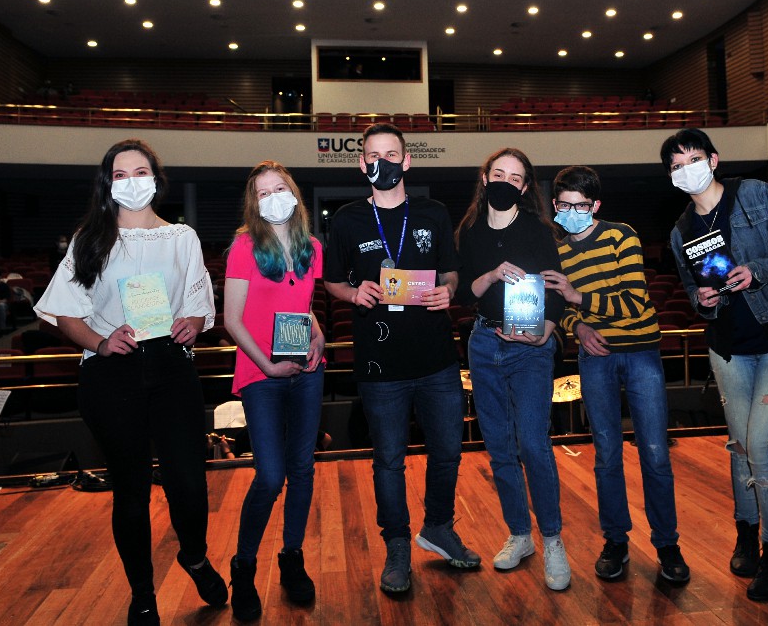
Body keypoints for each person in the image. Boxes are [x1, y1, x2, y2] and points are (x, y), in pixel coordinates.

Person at [34, 139, 226, 625]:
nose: (131, 181)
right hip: (111, 372)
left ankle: (195, 557)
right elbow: (62, 312)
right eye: (120, 174)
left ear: (156, 179)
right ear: (108, 184)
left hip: (171, 366)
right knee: (131, 491)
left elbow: (199, 305)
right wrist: (100, 342)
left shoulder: (182, 237)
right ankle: (142, 593)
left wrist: (192, 324)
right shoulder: (90, 238)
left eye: (140, 172)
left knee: (189, 482)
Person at [660, 128, 768, 602]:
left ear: (713, 160)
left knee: (762, 447)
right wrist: (702, 300)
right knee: (740, 446)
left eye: (693, 159)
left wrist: (758, 270)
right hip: (729, 347)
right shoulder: (680, 231)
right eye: (676, 166)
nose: (686, 169)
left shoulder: (755, 194)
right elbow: (692, 289)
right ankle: (746, 533)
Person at [323, 122, 479, 594]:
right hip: (380, 364)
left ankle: (439, 527)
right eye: (374, 155)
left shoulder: (433, 212)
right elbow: (332, 281)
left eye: (392, 155)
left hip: (437, 359)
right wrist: (354, 292)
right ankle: (396, 545)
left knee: (448, 452)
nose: (383, 163)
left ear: (407, 160)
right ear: (361, 164)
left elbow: (451, 272)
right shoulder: (347, 219)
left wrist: (447, 291)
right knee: (388, 460)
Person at [541, 165, 690, 584]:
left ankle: (667, 544)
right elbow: (561, 310)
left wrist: (578, 297)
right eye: (565, 205)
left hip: (640, 352)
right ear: (554, 205)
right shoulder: (558, 253)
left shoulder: (621, 235)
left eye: (581, 206)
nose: (572, 213)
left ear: (596, 206)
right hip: (595, 357)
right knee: (606, 455)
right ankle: (615, 541)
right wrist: (579, 328)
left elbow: (635, 300)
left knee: (655, 453)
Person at [454, 147, 570, 591]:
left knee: (533, 444)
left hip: (531, 349)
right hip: (484, 343)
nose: (505, 181)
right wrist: (489, 276)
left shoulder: (538, 229)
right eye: (498, 173)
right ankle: (520, 534)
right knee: (500, 447)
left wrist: (546, 332)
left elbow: (555, 288)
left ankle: (552, 539)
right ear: (485, 178)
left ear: (524, 187)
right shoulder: (469, 230)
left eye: (515, 177)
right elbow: (465, 292)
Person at [222, 161, 325, 619]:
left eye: (278, 188)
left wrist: (319, 335)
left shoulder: (312, 247)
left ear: (294, 193)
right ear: (254, 203)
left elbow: (302, 305)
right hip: (261, 372)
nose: (272, 198)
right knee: (269, 476)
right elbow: (232, 320)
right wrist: (266, 365)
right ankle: (243, 567)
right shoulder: (244, 247)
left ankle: (292, 557)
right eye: (262, 193)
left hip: (306, 369)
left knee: (302, 469)